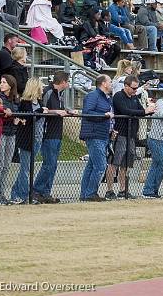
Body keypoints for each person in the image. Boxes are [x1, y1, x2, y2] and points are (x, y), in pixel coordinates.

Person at [32, 72, 70, 203]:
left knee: (53, 165)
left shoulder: (60, 94)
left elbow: (61, 108)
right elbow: (43, 109)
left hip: (57, 133)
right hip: (48, 134)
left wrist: (68, 111)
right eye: (68, 81)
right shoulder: (48, 91)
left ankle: (46, 192)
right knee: (48, 164)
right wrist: (56, 111)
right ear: (63, 82)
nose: (68, 84)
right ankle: (36, 190)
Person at [10, 78, 48, 204]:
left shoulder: (40, 103)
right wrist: (39, 112)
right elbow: (26, 119)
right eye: (41, 86)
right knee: (26, 169)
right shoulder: (25, 102)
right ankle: (24, 196)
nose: (43, 88)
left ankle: (16, 192)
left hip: (38, 139)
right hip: (26, 140)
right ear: (35, 87)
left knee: (28, 169)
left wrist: (42, 111)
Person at [79, 75, 114, 202]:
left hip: (103, 134)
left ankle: (85, 194)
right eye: (110, 81)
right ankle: (90, 193)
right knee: (100, 166)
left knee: (92, 165)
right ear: (104, 83)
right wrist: (104, 115)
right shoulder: (93, 96)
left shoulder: (106, 98)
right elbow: (87, 112)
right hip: (94, 135)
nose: (112, 83)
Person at [0, 76, 18, 204]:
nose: (2, 84)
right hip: (1, 134)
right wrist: (5, 111)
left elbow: (16, 113)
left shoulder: (15, 99)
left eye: (4, 82)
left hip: (12, 133)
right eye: (1, 82)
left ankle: (2, 192)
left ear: (11, 84)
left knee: (7, 165)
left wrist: (18, 119)